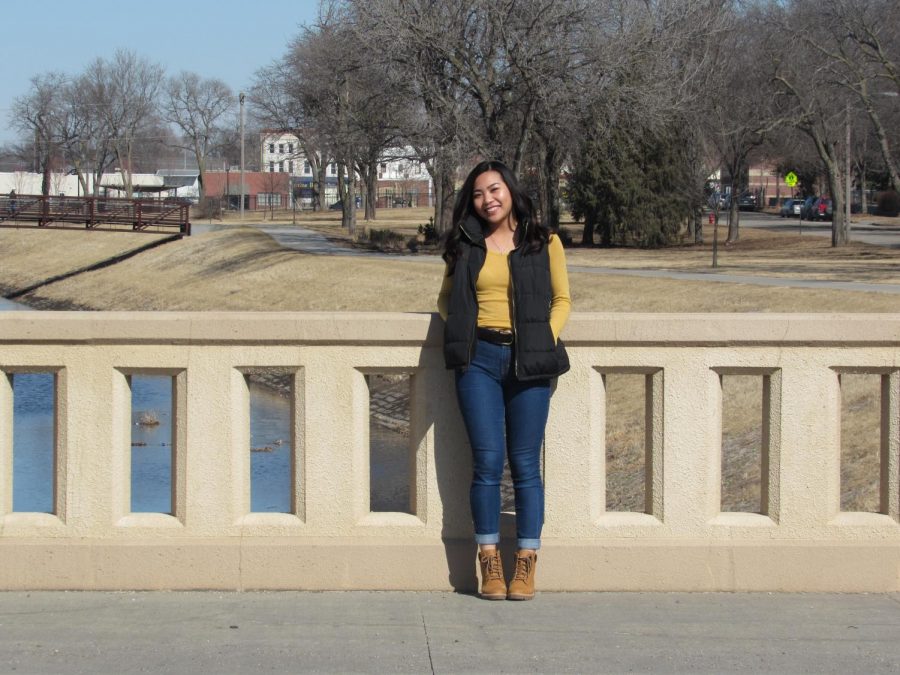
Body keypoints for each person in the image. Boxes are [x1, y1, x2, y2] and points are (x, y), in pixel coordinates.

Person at [437, 160, 571, 600]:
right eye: (477, 194)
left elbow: (562, 299)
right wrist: (463, 330)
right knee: (488, 463)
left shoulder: (542, 240)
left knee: (526, 465)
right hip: (478, 360)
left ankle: (526, 563)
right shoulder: (466, 242)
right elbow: (444, 301)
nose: (487, 200)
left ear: (510, 190)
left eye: (494, 190)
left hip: (529, 362)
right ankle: (490, 562)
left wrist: (542, 338)